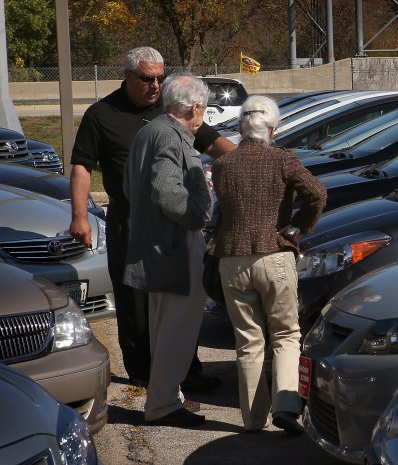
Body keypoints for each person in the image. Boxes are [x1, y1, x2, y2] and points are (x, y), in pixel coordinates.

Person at [68, 47, 233, 392]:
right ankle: (143, 373)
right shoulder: (102, 114)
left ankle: (186, 370)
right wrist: (80, 215)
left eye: (160, 77)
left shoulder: (172, 109)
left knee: (177, 297)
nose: (155, 85)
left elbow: (214, 142)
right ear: (127, 76)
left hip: (171, 222)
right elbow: (83, 165)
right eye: (147, 78)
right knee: (134, 299)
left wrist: (256, 157)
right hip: (129, 218)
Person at [210, 95, 325, 433]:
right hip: (274, 255)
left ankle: (252, 420)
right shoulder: (283, 159)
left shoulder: (222, 165)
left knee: (248, 340)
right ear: (274, 128)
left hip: (231, 260)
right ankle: (287, 406)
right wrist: (298, 227)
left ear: (241, 127)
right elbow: (317, 193)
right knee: (287, 335)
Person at [122, 74, 215, 427]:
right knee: (177, 328)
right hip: (174, 245)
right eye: (203, 109)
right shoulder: (170, 136)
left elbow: (132, 187)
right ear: (194, 107)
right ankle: (162, 405)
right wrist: (196, 216)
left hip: (158, 244)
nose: (203, 115)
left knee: (164, 326)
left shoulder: (149, 131)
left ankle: (166, 398)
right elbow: (166, 191)